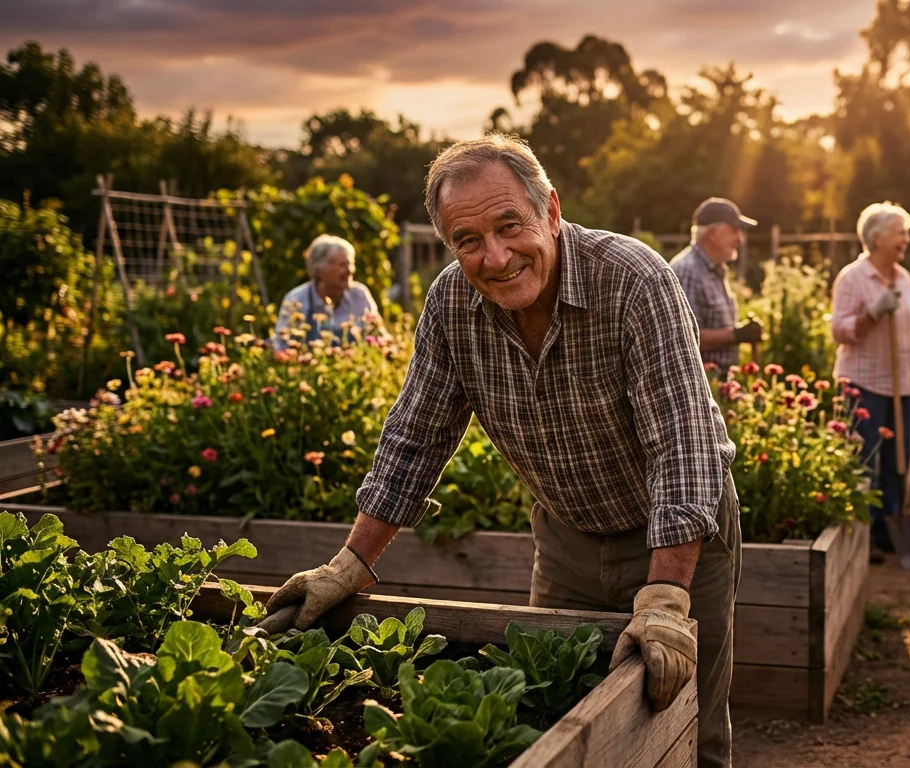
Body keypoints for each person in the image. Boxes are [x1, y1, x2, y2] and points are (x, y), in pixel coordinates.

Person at [259, 135, 741, 767]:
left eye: (510, 225)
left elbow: (683, 444)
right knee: (558, 714)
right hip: (567, 542)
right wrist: (350, 565)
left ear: (552, 210)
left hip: (683, 543)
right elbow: (416, 436)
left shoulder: (632, 280)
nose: (495, 256)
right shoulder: (452, 304)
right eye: (468, 241)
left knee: (685, 726)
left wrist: (666, 598)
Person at [830, 202, 910, 564]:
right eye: (900, 232)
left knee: (897, 461)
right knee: (863, 461)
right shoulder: (853, 278)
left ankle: (890, 531)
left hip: (902, 385)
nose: (906, 239)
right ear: (876, 238)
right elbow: (838, 330)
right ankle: (862, 536)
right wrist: (870, 315)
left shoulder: (904, 277)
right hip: (864, 383)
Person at [669, 198, 764, 370]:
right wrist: (736, 335)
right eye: (735, 230)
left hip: (720, 383)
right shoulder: (687, 271)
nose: (740, 239)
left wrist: (740, 333)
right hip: (702, 385)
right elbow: (685, 337)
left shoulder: (714, 269)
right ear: (713, 234)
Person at [272, 234, 385, 350]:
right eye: (342, 265)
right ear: (319, 270)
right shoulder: (296, 299)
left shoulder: (359, 295)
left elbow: (380, 338)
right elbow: (281, 347)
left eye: (350, 264)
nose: (350, 270)